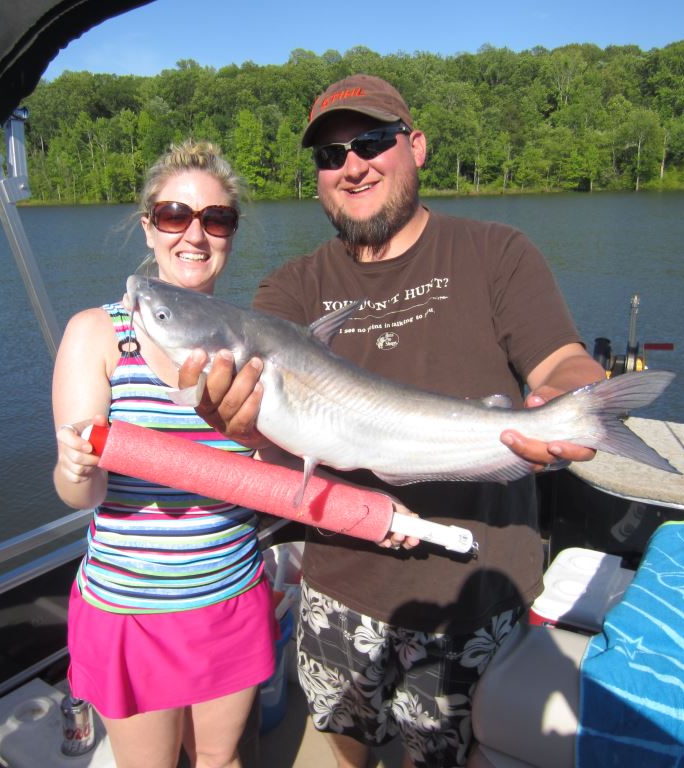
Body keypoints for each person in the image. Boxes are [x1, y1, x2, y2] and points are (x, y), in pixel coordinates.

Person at [177, 75, 607, 768]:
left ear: (417, 146)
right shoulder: (290, 289)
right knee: (345, 743)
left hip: (470, 593)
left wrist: (574, 400)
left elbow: (560, 362)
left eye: (372, 141)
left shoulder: (495, 252)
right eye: (330, 156)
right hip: (339, 588)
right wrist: (242, 423)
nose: (352, 165)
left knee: (448, 756)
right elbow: (271, 427)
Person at [51, 140, 278, 768]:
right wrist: (75, 466)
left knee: (220, 760)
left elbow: (268, 472)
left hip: (230, 591)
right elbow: (81, 495)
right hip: (133, 607)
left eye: (217, 218)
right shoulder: (96, 334)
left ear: (231, 233)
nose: (196, 235)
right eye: (176, 215)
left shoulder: (254, 340)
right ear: (149, 227)